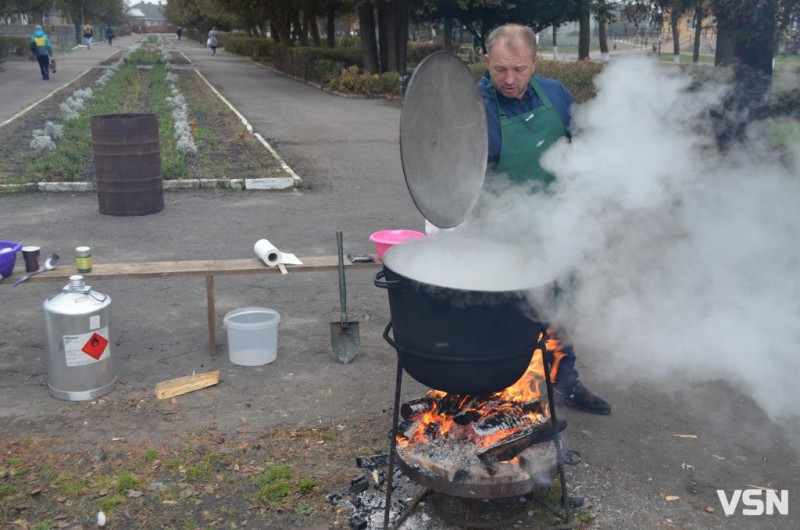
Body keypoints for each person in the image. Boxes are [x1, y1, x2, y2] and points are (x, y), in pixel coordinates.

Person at [479, 23, 611, 415]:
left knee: (560, 308)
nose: (509, 79)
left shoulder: (555, 93)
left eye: (519, 69)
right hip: (500, 232)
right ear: (486, 61)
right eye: (499, 69)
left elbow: (582, 151)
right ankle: (497, 398)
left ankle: (566, 381)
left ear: (535, 62)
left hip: (557, 225)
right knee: (504, 317)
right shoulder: (471, 109)